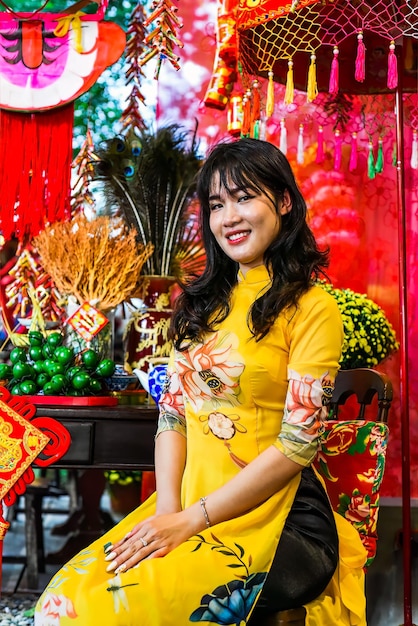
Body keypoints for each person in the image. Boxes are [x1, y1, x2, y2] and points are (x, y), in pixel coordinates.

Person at [34, 138, 367, 625]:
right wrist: (169, 512)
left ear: (284, 202)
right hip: (187, 509)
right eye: (216, 204)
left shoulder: (313, 308)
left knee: (111, 610)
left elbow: (298, 446)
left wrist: (192, 521)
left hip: (278, 524)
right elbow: (173, 415)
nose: (229, 215)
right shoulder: (199, 306)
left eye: (244, 197)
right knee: (62, 605)